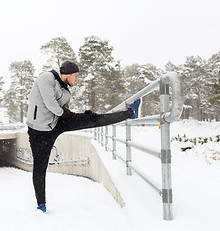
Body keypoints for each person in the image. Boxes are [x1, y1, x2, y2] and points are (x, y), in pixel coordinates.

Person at [26, 61, 141, 213]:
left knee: (92, 120)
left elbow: (63, 109)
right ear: (67, 73)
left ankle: (130, 113)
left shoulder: (66, 91)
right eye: (76, 76)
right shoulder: (46, 78)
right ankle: (41, 205)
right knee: (40, 168)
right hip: (39, 132)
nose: (77, 80)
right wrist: (67, 114)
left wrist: (80, 117)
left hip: (56, 122)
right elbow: (50, 103)